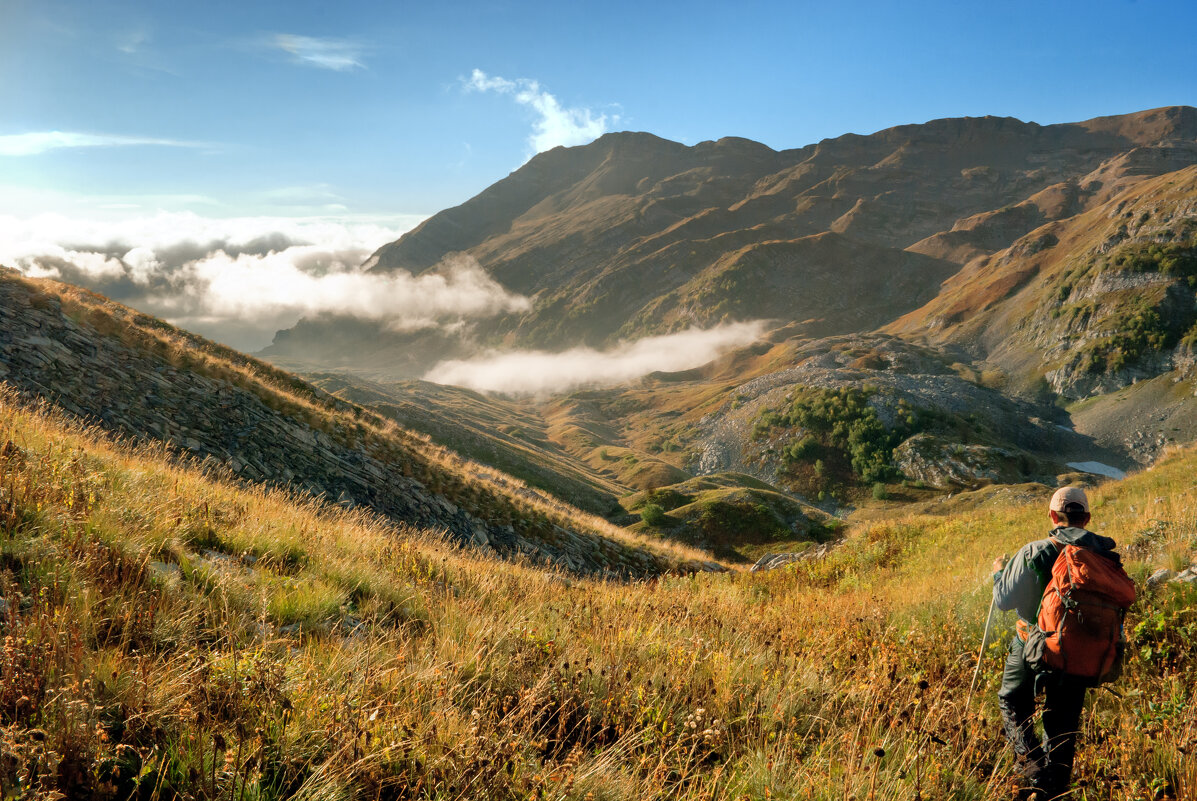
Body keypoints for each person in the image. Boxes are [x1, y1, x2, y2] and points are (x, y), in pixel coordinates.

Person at [991, 486, 1122, 798]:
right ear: (1087, 518)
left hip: (1030, 644)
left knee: (1011, 700)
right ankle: (1055, 788)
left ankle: (1032, 768)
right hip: (1080, 650)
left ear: (1052, 516)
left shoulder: (1034, 551)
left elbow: (1003, 601)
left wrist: (999, 573)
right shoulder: (1105, 559)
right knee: (1063, 723)